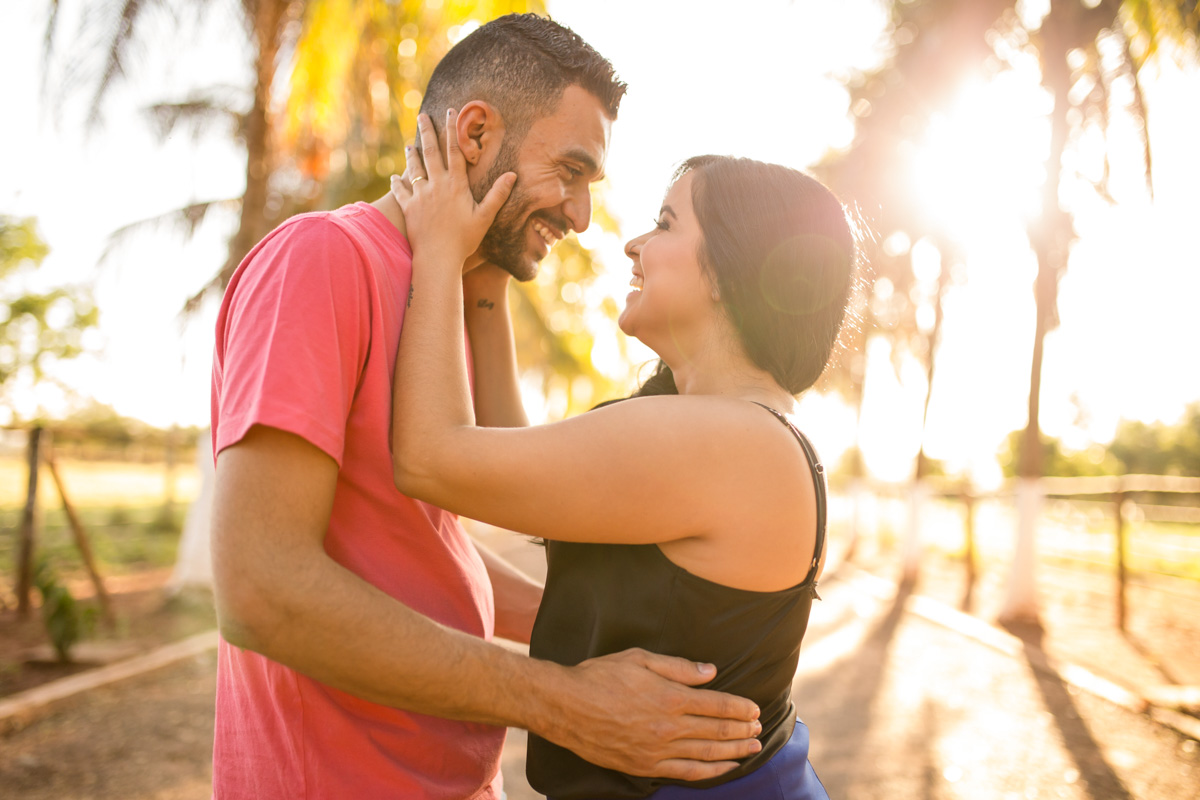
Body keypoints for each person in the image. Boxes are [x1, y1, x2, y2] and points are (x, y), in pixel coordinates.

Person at [208, 14, 762, 800]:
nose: (579, 215)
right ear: (474, 134)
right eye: (570, 171)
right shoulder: (322, 260)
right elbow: (262, 586)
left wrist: (619, 642)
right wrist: (565, 703)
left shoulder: (444, 294)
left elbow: (425, 551)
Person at [388, 112, 857, 798]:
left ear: (730, 269)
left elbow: (431, 460)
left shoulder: (730, 444)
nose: (635, 244)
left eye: (666, 224)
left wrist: (436, 251)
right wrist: (484, 286)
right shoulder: (735, 429)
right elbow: (526, 463)